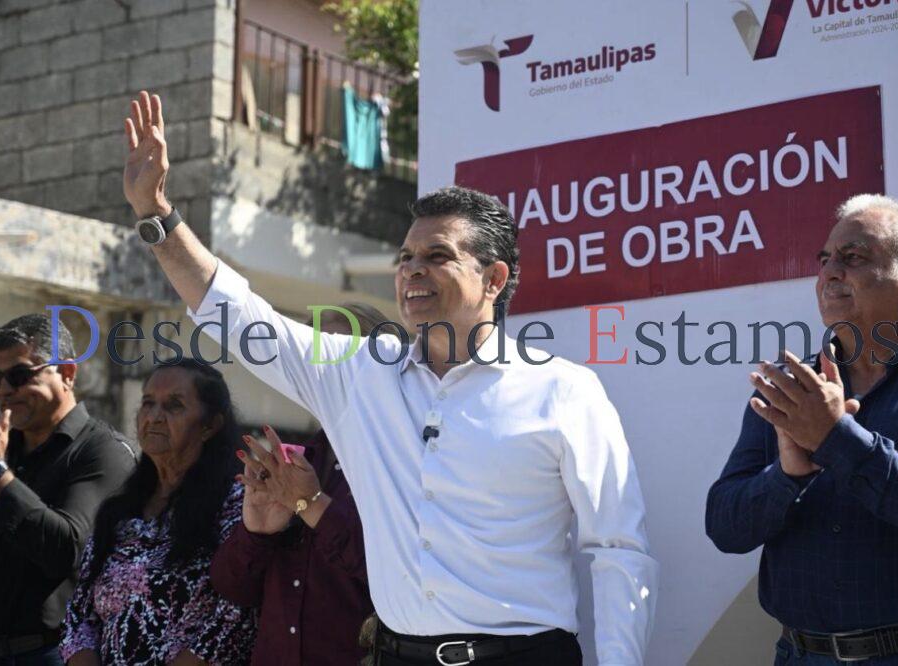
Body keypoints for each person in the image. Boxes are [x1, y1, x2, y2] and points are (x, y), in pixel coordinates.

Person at [122, 89, 657, 665]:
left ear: (495, 279)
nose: (412, 271)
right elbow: (239, 315)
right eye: (405, 258)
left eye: (437, 256)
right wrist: (156, 215)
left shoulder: (564, 390)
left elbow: (618, 548)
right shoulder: (359, 376)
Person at [706, 194, 898, 664]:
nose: (828, 272)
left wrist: (838, 439)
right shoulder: (789, 385)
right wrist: (788, 475)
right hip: (801, 654)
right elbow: (725, 527)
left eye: (852, 257)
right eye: (825, 259)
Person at [210, 305, 388, 666]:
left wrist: (312, 504)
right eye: (313, 351)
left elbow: (402, 577)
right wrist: (255, 533)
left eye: (340, 348)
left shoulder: (402, 462)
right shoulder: (295, 459)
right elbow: (232, 588)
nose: (323, 364)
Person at [0, 315, 138, 665]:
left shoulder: (103, 451)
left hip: (46, 654)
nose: (5, 390)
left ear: (67, 374)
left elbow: (65, 549)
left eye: (19, 375)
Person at [60, 360, 257, 665]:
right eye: (148, 403)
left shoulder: (237, 505)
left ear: (210, 426)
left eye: (174, 406)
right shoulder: (120, 512)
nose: (153, 417)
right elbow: (79, 616)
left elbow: (237, 619)